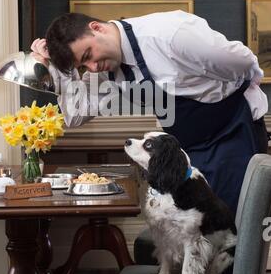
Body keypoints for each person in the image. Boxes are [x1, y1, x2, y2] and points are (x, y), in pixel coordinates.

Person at [31, 11, 269, 214]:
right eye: (82, 66)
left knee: (231, 236)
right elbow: (74, 114)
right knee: (199, 239)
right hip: (187, 153)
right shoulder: (106, 70)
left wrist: (243, 90)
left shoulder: (171, 35)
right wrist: (55, 67)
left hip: (232, 139)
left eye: (88, 56)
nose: (92, 67)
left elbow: (244, 61)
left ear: (97, 28)